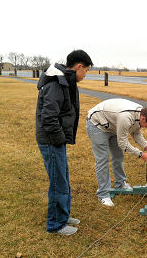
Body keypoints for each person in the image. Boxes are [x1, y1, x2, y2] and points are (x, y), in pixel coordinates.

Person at [36, 50, 93, 236]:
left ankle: (63, 215)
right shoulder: (56, 84)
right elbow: (48, 117)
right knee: (58, 182)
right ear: (79, 67)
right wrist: (60, 138)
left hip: (57, 141)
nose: (85, 75)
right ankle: (55, 224)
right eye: (86, 71)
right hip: (51, 141)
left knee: (63, 178)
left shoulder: (66, 81)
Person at [86, 98, 147, 206]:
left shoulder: (140, 114)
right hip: (97, 124)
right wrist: (141, 154)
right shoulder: (126, 118)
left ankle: (120, 184)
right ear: (143, 118)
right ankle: (103, 194)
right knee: (103, 159)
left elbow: (136, 132)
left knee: (118, 156)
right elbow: (123, 143)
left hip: (112, 125)